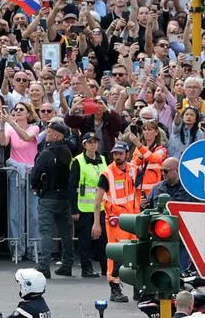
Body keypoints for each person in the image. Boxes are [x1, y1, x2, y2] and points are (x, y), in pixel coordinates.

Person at [93, 141, 140, 302]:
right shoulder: (107, 174)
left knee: (136, 252)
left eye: (120, 153)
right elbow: (97, 199)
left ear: (127, 154)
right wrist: (96, 223)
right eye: (115, 154)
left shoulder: (134, 170)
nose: (117, 156)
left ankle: (137, 288)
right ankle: (114, 288)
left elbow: (139, 193)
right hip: (116, 220)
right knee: (117, 255)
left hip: (134, 218)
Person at [32, 120, 74, 278]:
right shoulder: (67, 151)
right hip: (64, 197)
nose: (46, 135)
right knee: (65, 232)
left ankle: (44, 266)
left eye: (49, 132)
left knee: (46, 232)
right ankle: (67, 264)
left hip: (48, 196)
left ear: (56, 135)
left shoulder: (47, 153)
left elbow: (36, 172)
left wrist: (35, 187)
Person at [69, 132, 106, 278]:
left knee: (103, 239)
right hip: (83, 207)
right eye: (90, 142)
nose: (93, 145)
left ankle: (105, 268)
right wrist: (74, 208)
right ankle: (86, 268)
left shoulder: (103, 159)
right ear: (84, 144)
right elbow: (72, 186)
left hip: (101, 206)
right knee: (85, 240)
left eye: (95, 142)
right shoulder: (78, 161)